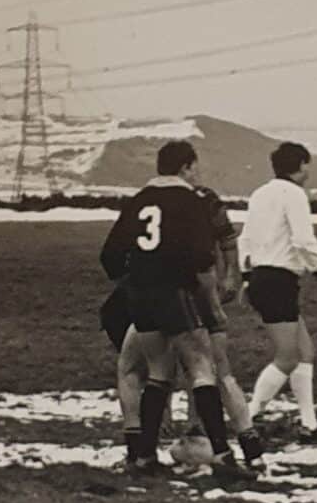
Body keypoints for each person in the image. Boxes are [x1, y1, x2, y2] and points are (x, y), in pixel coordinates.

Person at [100, 140, 253, 479]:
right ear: (186, 167)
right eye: (195, 167)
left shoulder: (138, 200)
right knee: (201, 367)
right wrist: (203, 296)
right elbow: (200, 255)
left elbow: (109, 255)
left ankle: (143, 456)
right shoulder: (190, 201)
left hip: (140, 295)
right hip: (175, 291)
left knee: (157, 372)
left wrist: (135, 278)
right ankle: (223, 455)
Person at [239, 142, 317, 444]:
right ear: (302, 166)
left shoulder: (259, 193)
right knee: (287, 357)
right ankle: (247, 417)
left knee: (305, 352)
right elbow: (303, 239)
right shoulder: (294, 195)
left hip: (261, 276)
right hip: (278, 279)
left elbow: (246, 238)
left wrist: (246, 276)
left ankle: (310, 423)